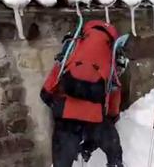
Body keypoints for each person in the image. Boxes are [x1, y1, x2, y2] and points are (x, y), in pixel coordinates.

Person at [40, 20, 127, 167]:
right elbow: (114, 90)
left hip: (66, 115)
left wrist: (52, 100)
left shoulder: (74, 45)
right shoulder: (112, 53)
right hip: (95, 117)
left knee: (61, 162)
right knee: (114, 152)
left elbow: (51, 83)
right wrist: (111, 118)